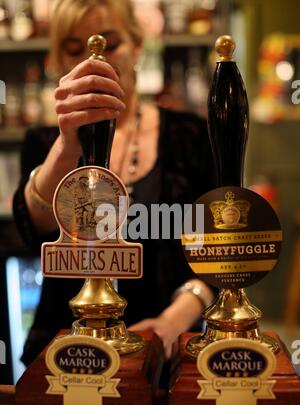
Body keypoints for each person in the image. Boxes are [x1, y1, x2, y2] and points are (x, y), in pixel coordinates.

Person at [13, 0, 217, 366]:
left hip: (165, 351)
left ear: (138, 45)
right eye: (76, 50)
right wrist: (66, 145)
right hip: (65, 350)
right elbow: (33, 228)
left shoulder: (189, 136)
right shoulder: (45, 143)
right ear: (59, 60)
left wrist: (172, 322)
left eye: (111, 43)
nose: (95, 62)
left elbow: (214, 251)